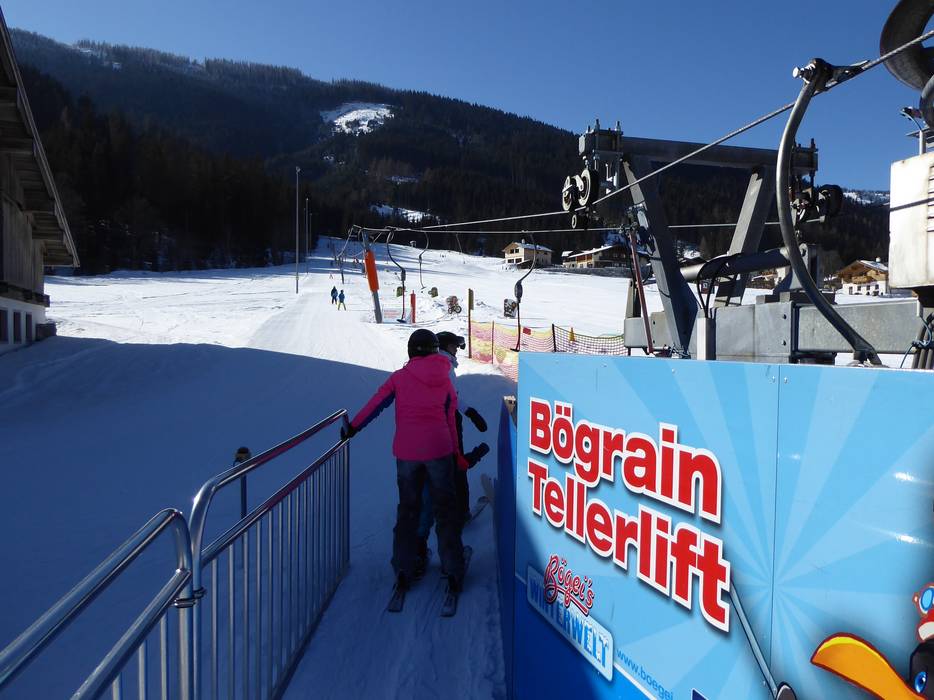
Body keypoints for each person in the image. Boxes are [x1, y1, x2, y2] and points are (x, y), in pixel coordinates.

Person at [341, 329, 468, 592]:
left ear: (411, 350)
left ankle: (403, 567)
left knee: (409, 510)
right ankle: (453, 568)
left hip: (407, 455)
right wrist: (456, 454)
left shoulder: (399, 378)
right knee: (445, 510)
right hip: (440, 451)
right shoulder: (445, 379)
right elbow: (451, 421)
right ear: (435, 350)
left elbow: (376, 403)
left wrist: (353, 427)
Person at [415, 332, 489, 573]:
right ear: (446, 346)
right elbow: (451, 397)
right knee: (454, 473)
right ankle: (459, 518)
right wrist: (469, 413)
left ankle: (415, 550)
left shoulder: (425, 365)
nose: (457, 351)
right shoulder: (443, 365)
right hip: (446, 424)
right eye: (455, 346)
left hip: (424, 433)